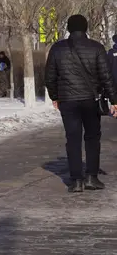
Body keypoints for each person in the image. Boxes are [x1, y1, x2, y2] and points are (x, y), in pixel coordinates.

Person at [45, 15, 117, 193]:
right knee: (92, 138)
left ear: (68, 28)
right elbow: (106, 77)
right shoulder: (96, 48)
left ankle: (76, 180)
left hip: (68, 101)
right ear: (86, 28)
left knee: (73, 139)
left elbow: (49, 76)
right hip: (91, 101)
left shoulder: (57, 49)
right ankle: (92, 177)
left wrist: (55, 96)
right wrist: (114, 100)